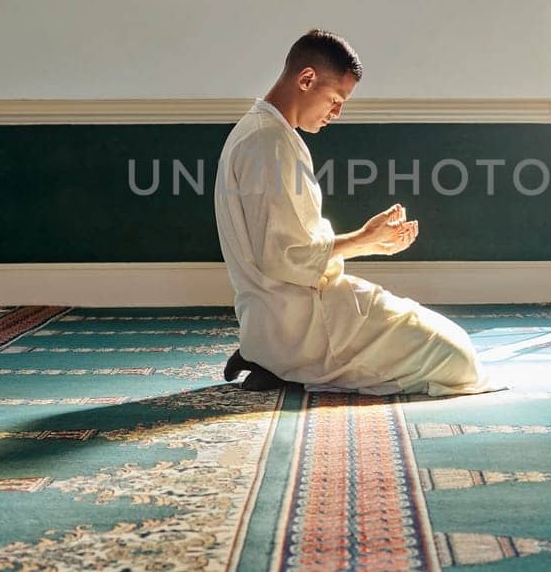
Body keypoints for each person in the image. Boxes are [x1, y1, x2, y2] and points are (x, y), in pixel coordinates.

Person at [213, 30, 499, 396]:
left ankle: (265, 353)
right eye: (335, 99)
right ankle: (280, 360)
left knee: (448, 342)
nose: (337, 113)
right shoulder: (268, 142)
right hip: (300, 323)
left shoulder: (262, 130)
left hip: (283, 313)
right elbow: (284, 257)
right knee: (456, 358)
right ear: (306, 79)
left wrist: (370, 243)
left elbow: (286, 247)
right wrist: (366, 240)